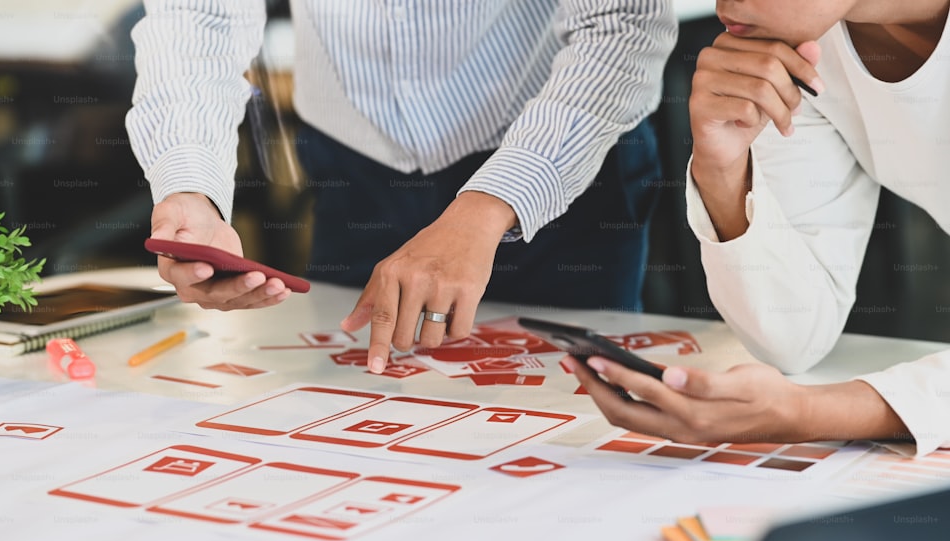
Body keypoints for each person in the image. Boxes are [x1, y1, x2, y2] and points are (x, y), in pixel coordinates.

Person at [125, 0, 678, 374]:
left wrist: (490, 206)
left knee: (571, 415)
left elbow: (622, 25)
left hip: (557, 154)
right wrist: (189, 187)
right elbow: (198, 17)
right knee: (360, 404)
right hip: (356, 161)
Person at [567, 0, 950, 456]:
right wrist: (722, 166)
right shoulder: (804, 47)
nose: (723, 5)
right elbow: (792, 337)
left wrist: (813, 413)